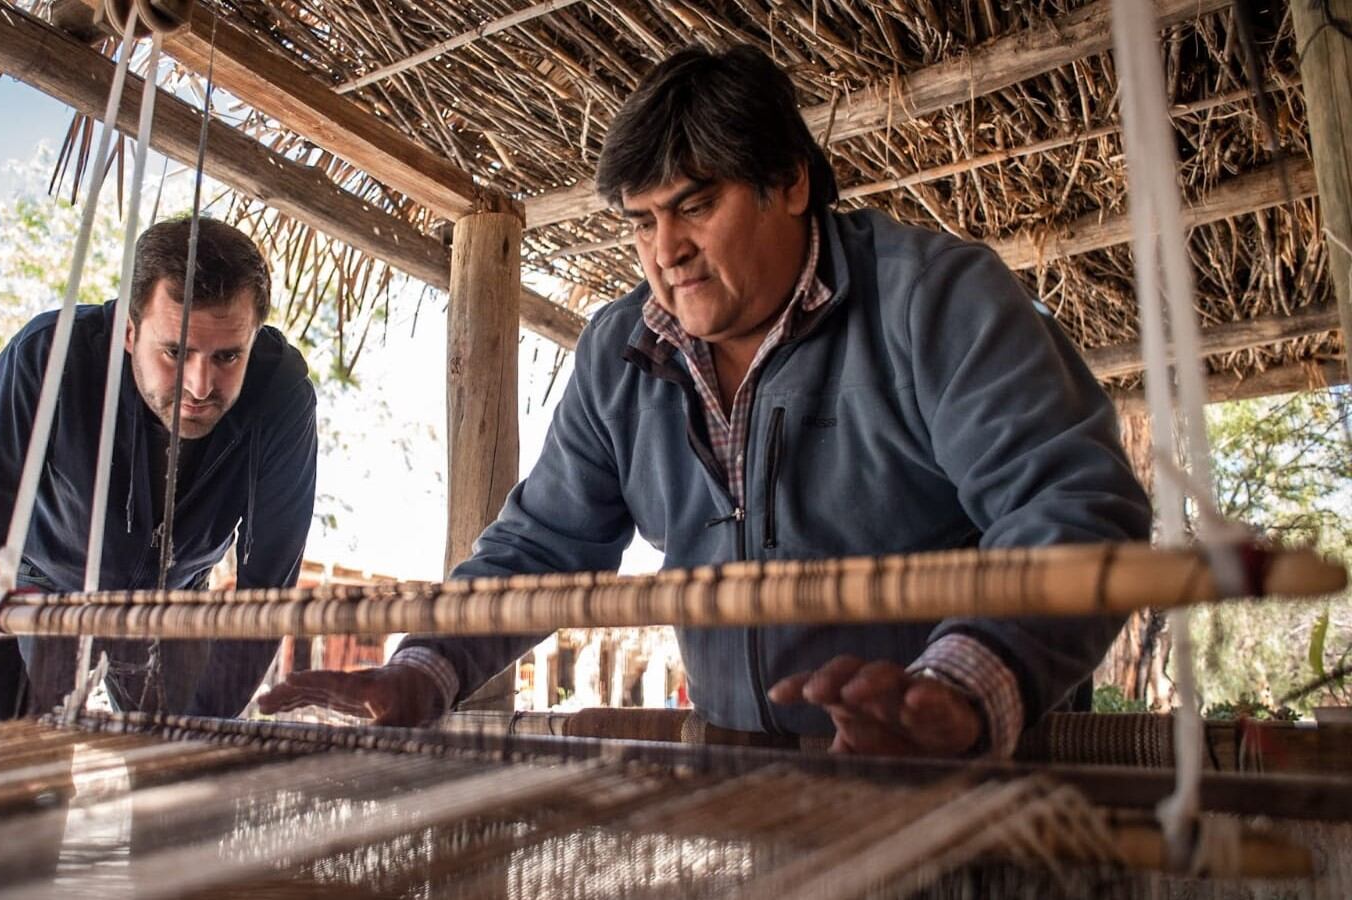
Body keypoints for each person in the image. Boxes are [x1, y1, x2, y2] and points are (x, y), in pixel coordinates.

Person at [259, 46, 1150, 759]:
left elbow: (1071, 505)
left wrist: (956, 689)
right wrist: (427, 666)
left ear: (790, 183)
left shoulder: (934, 302)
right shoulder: (622, 353)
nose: (666, 251)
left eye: (696, 205)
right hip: (738, 783)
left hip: (956, 779)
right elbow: (543, 544)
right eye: (642, 221)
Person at [0, 216, 317, 726]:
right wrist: (11, 720)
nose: (201, 386)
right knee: (19, 792)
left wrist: (201, 730)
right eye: (176, 352)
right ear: (130, 332)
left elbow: (268, 584)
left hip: (177, 598)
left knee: (182, 790)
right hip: (44, 588)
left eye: (228, 356)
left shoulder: (282, 393)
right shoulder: (47, 358)